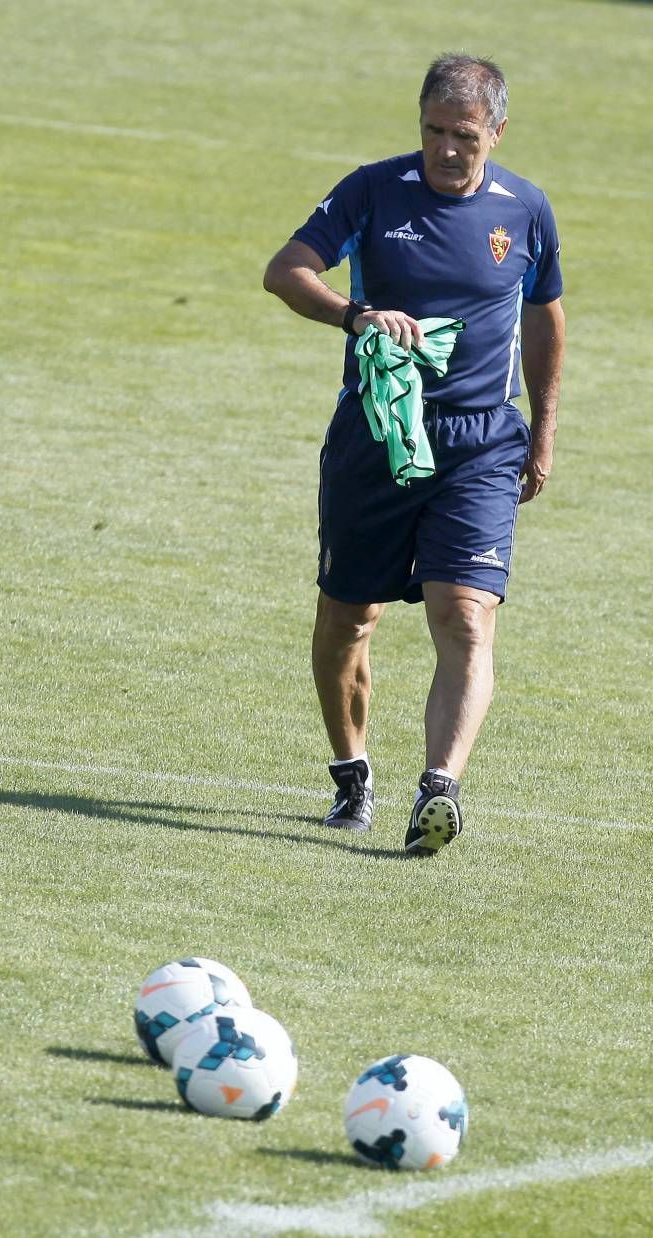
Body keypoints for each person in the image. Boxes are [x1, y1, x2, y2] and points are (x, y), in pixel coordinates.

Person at [263, 53, 565, 856]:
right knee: (347, 618)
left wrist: (543, 429)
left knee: (464, 616)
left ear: (495, 131)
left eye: (464, 134)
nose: (446, 149)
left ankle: (439, 789)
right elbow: (285, 271)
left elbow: (545, 318)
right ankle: (351, 774)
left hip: (478, 442)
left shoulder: (526, 210)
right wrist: (355, 313)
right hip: (376, 434)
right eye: (433, 130)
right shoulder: (372, 189)